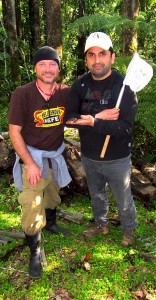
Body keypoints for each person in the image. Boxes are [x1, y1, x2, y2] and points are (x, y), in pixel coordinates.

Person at [66, 32, 138, 247]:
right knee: (96, 195)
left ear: (112, 57)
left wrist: (92, 122)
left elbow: (125, 128)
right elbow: (69, 120)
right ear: (86, 59)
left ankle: (129, 228)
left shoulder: (124, 86)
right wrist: (97, 118)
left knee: (123, 199)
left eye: (102, 54)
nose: (97, 60)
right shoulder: (79, 85)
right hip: (89, 155)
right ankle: (101, 224)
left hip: (117, 158)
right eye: (91, 55)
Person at [8, 46, 72, 279]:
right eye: (42, 64)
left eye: (52, 64)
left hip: (55, 155)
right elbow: (14, 132)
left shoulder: (66, 93)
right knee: (31, 202)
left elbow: (85, 107)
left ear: (58, 68)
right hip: (32, 156)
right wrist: (30, 163)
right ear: (35, 68)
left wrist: (101, 116)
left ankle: (52, 223)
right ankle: (34, 248)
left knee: (53, 194)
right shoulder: (22, 94)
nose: (48, 69)